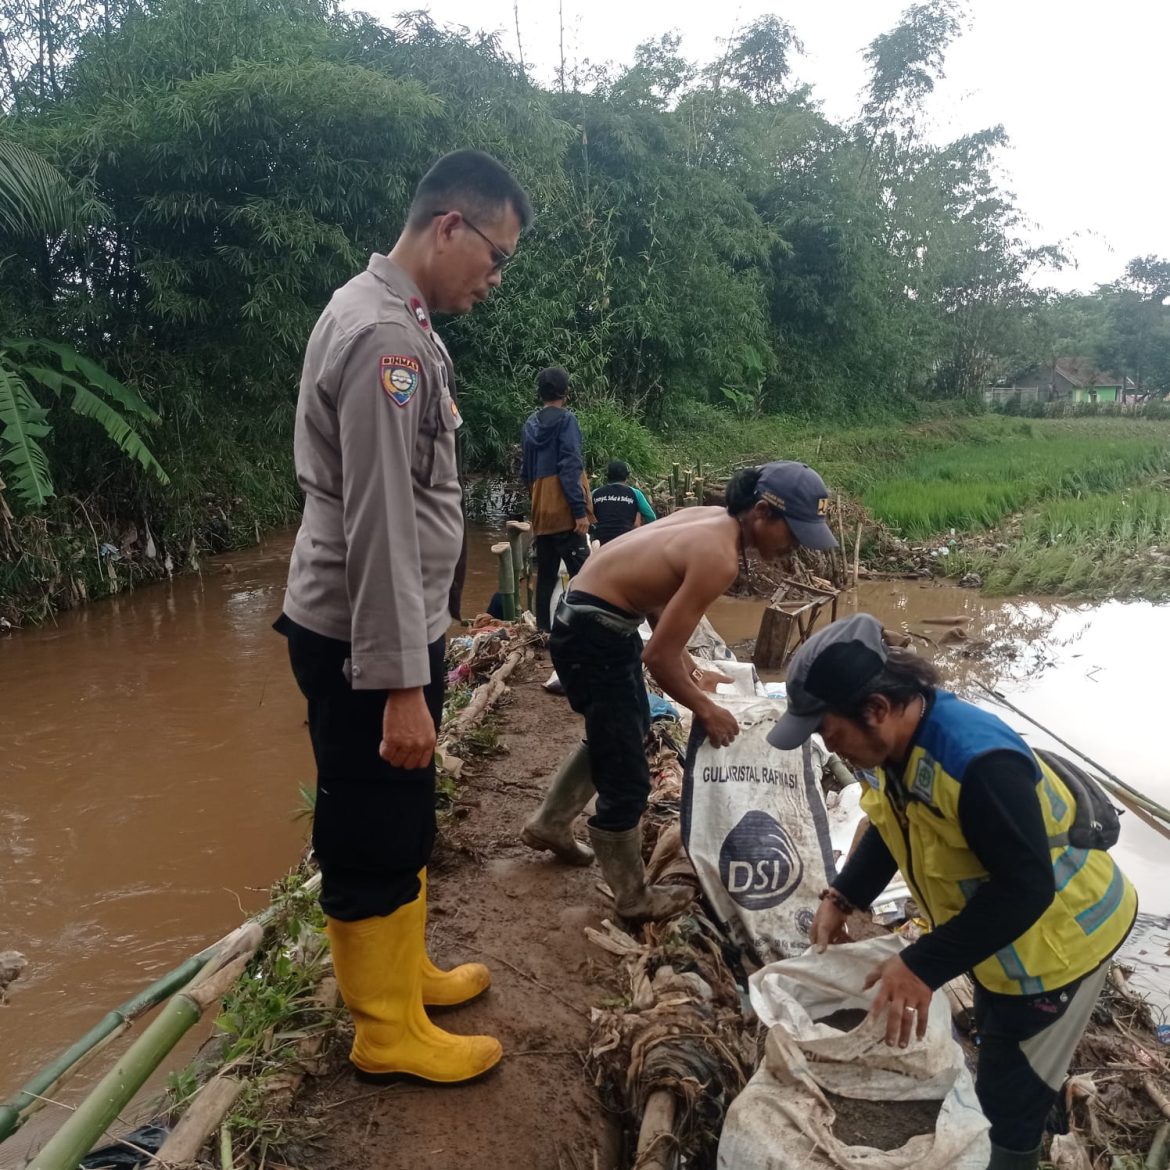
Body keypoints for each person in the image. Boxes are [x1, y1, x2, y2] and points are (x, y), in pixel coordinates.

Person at [273, 149, 531, 1085]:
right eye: (494, 256)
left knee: (402, 812)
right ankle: (386, 1029)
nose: (494, 280)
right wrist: (400, 686)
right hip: (360, 639)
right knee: (372, 822)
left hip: (382, 624)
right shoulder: (384, 340)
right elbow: (381, 517)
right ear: (449, 227)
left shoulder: (400, 318)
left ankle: (405, 976)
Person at [767, 614, 1138, 1170]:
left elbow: (1026, 888)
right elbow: (897, 827)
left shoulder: (977, 763)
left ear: (876, 709)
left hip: (1062, 944)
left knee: (1006, 1098)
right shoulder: (895, 748)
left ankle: (1020, 1146)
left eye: (826, 730)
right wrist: (843, 895)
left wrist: (921, 965)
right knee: (1004, 1046)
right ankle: (1043, 1097)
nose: (827, 745)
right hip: (1010, 943)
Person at [521, 461, 838, 920]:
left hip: (594, 622)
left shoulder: (707, 519)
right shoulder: (721, 559)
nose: (792, 550)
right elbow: (656, 657)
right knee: (628, 773)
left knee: (622, 731)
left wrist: (691, 669)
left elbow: (656, 594)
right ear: (765, 513)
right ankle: (632, 897)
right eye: (793, 535)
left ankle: (550, 823)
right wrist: (705, 709)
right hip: (595, 636)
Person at [520, 367, 594, 631]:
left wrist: (538, 505)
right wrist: (579, 511)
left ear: (540, 393)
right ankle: (586, 632)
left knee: (547, 577)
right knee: (586, 576)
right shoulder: (567, 421)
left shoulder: (530, 424)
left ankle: (543, 632)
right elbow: (569, 465)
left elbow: (526, 472)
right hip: (565, 511)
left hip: (541, 511)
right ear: (565, 393)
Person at [591, 458, 657, 544]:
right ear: (626, 477)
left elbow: (587, 514)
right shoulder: (635, 493)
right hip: (626, 540)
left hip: (600, 540)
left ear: (608, 476)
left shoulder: (595, 493)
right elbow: (651, 517)